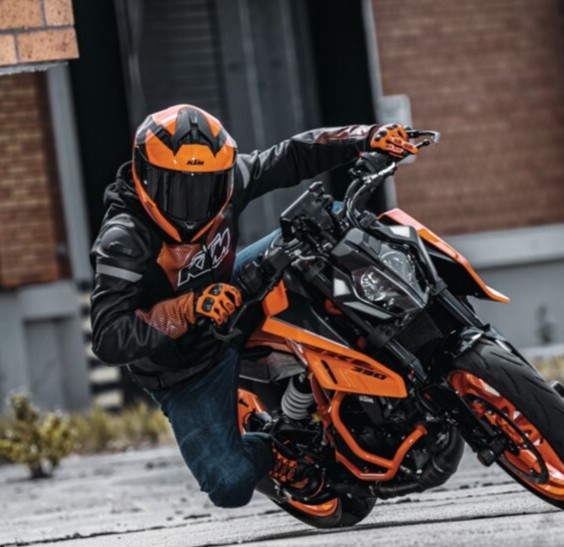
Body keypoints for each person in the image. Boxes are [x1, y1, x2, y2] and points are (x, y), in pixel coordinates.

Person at [90, 104, 417, 508]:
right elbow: (108, 337)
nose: (196, 203)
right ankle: (278, 446)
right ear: (145, 176)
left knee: (328, 221)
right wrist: (189, 309)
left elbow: (290, 155)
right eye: (180, 189)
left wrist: (364, 136)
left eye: (207, 187)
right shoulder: (123, 238)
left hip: (236, 295)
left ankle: (402, 342)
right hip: (186, 366)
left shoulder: (230, 180)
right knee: (229, 485)